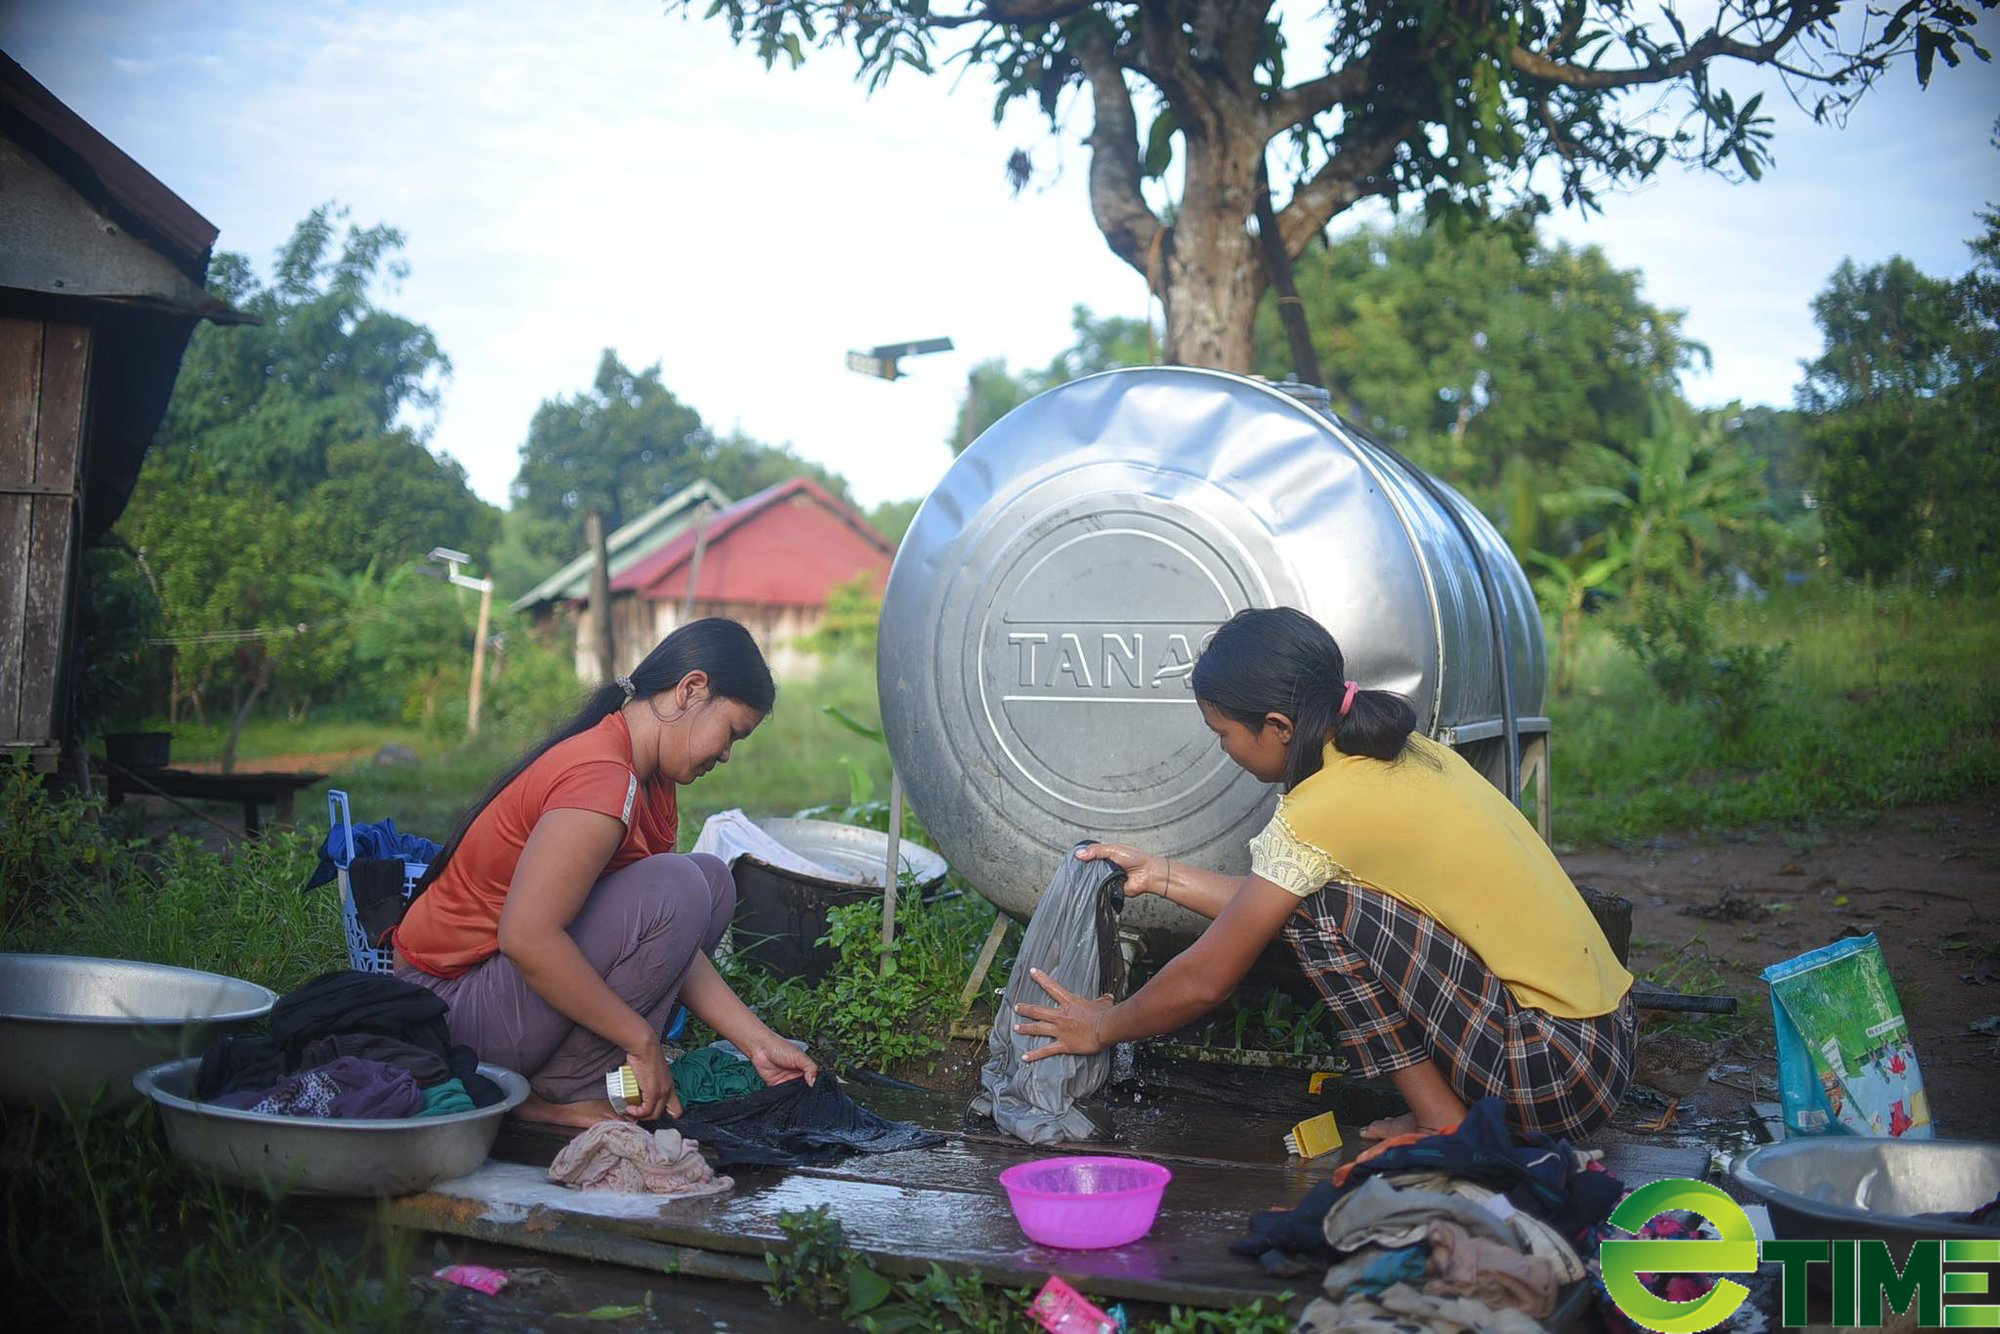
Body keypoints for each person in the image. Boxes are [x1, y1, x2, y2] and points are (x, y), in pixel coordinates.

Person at [1015, 606, 1634, 1141]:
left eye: (1223, 733)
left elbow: (1207, 979)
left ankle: (1444, 1125)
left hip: (1552, 1074)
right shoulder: (1402, 754)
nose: (1223, 749)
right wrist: (1164, 874)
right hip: (1601, 1045)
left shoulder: (1321, 808)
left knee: (1322, 914)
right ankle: (1442, 1116)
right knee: (1319, 905)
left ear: (1278, 728)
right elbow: (1270, 902)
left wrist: (1103, 1025)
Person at [393, 617, 817, 1127]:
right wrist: (640, 1040)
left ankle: (569, 1076)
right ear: (690, 689)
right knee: (682, 884)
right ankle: (568, 1091)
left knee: (709, 881)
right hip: (449, 1015)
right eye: (730, 733)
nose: (725, 755)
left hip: (499, 997)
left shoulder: (653, 782)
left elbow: (669, 937)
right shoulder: (601, 778)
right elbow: (526, 937)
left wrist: (759, 1044)